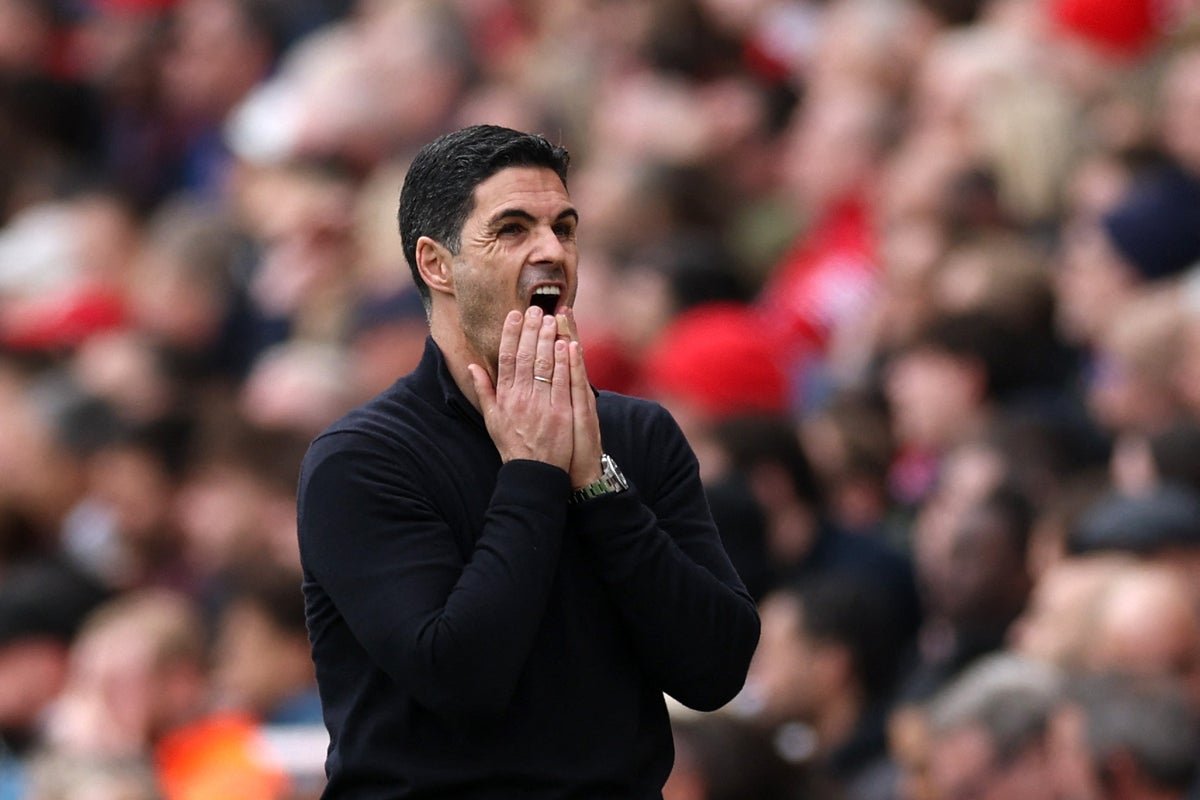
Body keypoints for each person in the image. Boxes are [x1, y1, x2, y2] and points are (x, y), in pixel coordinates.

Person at [296, 124, 760, 798]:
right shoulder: (363, 459)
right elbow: (460, 677)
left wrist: (595, 484)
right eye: (512, 229)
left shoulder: (638, 434)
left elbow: (716, 669)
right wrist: (533, 474)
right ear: (436, 264)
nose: (551, 251)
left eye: (564, 229)